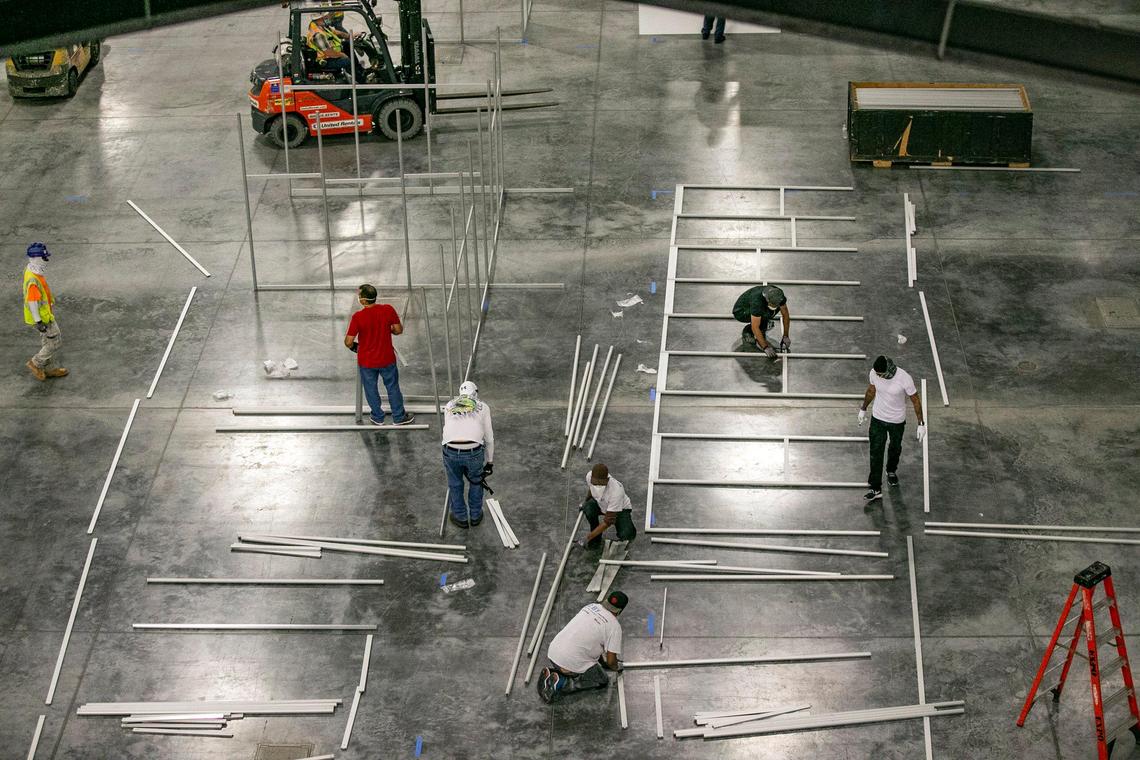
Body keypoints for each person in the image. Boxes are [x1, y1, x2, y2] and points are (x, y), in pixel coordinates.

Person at [537, 591, 627, 704]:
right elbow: (611, 661)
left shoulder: (591, 607)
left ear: (606, 601)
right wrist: (615, 666)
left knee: (585, 652)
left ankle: (553, 673)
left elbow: (592, 642)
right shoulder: (614, 627)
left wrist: (603, 663)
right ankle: (562, 682)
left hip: (553, 653)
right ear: (620, 611)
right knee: (602, 680)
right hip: (569, 665)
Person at [344, 284, 415, 426]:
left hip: (367, 362)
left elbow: (348, 341)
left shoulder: (358, 317)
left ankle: (377, 417)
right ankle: (398, 417)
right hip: (387, 358)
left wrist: (355, 348)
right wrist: (388, 330)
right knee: (392, 387)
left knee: (371, 389)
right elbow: (398, 330)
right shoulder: (388, 310)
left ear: (363, 300)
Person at [858, 355, 926, 503]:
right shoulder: (874, 373)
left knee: (895, 448)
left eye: (880, 374)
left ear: (887, 370)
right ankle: (875, 487)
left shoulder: (904, 378)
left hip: (896, 420)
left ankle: (891, 470)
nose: (877, 376)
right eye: (876, 373)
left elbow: (915, 400)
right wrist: (863, 409)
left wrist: (921, 423)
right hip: (878, 418)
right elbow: (871, 390)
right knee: (876, 452)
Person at [441, 381, 494, 528]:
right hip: (473, 451)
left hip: (450, 449)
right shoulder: (483, 407)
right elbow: (489, 438)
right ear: (476, 392)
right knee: (476, 481)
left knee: (455, 483)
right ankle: (476, 515)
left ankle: (460, 517)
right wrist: (490, 461)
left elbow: (448, 429)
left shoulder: (449, 405)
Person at [22, 242, 68, 381]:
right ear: (36, 258)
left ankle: (48, 369)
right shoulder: (33, 280)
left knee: (47, 342)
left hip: (43, 315)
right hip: (43, 318)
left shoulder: (31, 271)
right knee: (55, 342)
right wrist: (39, 321)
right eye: (44, 258)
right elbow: (32, 302)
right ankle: (36, 363)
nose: (46, 260)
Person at [576, 463, 637, 549]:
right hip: (601, 503)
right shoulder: (589, 476)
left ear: (607, 480)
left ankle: (627, 529)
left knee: (627, 534)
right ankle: (596, 536)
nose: (597, 486)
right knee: (588, 507)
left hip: (620, 510)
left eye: (600, 484)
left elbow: (607, 522)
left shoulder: (616, 491)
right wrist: (585, 502)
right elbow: (591, 489)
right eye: (595, 483)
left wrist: (587, 538)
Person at [732, 284, 791, 359]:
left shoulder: (779, 295)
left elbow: (785, 315)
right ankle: (747, 330)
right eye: (772, 304)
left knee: (768, 313)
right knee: (763, 317)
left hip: (756, 307)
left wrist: (786, 336)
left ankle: (763, 322)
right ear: (767, 300)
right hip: (741, 312)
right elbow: (755, 327)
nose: (775, 306)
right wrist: (765, 347)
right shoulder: (757, 302)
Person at [306, 12, 356, 78]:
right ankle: (360, 79)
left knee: (347, 44)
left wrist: (349, 36)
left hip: (329, 55)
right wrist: (342, 55)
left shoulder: (321, 27)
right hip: (325, 60)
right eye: (327, 17)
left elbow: (336, 32)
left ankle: (358, 70)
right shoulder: (318, 35)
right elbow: (329, 53)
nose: (329, 18)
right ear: (320, 18)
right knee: (346, 61)